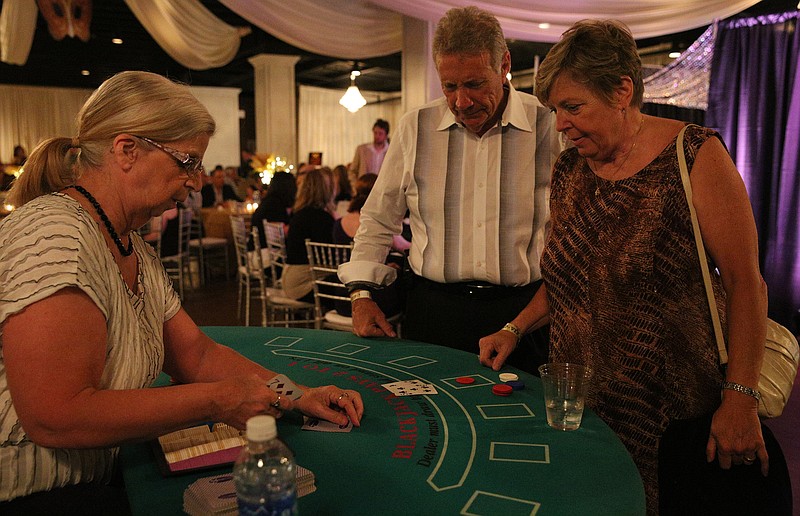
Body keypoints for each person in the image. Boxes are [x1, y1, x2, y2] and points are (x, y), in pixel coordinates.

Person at [0, 71, 364, 511]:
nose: (195, 182)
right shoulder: (55, 236)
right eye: (186, 161)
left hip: (94, 477)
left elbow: (197, 356)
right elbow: (54, 417)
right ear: (126, 150)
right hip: (31, 492)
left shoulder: (129, 241)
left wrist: (297, 395)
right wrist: (215, 401)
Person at [477, 20, 791, 515]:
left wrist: (740, 399)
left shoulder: (695, 156)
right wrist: (514, 328)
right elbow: (567, 277)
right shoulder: (569, 169)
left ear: (622, 90)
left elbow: (746, 284)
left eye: (573, 107)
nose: (560, 124)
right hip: (584, 411)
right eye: (555, 110)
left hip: (674, 420)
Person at [337, 6, 562, 374]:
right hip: (433, 312)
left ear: (504, 65)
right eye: (449, 86)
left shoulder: (549, 125)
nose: (461, 101)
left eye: (474, 84)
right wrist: (361, 295)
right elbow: (378, 218)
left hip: (523, 316)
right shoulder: (415, 127)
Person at [332, 173, 407, 317]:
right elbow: (404, 248)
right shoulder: (375, 225)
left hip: (342, 295)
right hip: (369, 301)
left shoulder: (339, 222)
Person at [282, 167, 337, 302]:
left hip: (289, 277)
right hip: (304, 284)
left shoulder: (299, 213)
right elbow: (332, 257)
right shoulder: (322, 218)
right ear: (326, 189)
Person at [251, 171, 297, 249]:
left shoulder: (269, 201)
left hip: (257, 248)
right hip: (266, 251)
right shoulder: (275, 205)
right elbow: (281, 234)